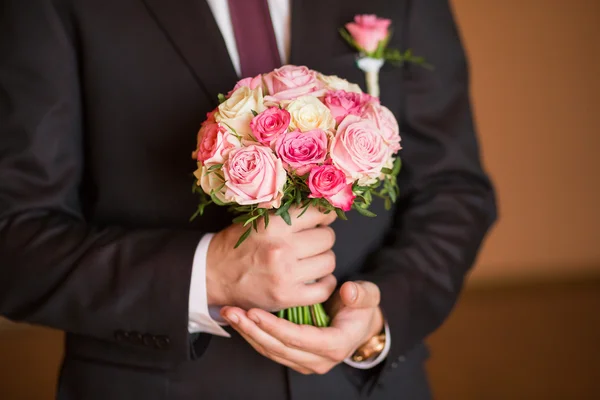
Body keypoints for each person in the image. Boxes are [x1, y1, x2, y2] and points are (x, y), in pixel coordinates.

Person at [0, 0, 496, 399]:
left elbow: (452, 191)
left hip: (368, 385)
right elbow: (14, 234)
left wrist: (378, 318)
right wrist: (207, 272)